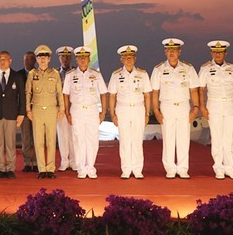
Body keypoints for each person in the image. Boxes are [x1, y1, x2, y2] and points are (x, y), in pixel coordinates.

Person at [151, 38, 200, 179]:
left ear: (180, 52)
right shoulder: (159, 69)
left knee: (184, 137)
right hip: (166, 106)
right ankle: (170, 168)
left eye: (174, 50)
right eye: (169, 50)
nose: (171, 52)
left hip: (183, 106)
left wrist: (195, 108)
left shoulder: (188, 68)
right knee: (168, 138)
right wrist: (156, 110)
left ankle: (183, 168)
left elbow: (194, 90)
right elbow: (155, 91)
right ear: (165, 52)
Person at [198, 40, 233, 180]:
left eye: (220, 52)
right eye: (215, 52)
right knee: (217, 137)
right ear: (212, 53)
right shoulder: (205, 68)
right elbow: (201, 89)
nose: (218, 54)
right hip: (214, 104)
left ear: (225, 53)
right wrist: (202, 107)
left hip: (230, 104)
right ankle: (218, 168)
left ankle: (230, 168)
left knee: (229, 138)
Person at [62, 46, 107, 179]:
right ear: (76, 59)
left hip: (92, 110)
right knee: (78, 139)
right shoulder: (71, 75)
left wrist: (103, 112)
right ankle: (81, 168)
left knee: (92, 139)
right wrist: (67, 112)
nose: (82, 60)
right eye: (80, 58)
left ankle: (91, 167)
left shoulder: (96, 74)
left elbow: (104, 93)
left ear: (89, 59)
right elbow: (65, 94)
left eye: (85, 57)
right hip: (77, 110)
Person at [107, 45, 152, 179]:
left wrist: (147, 114)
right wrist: (113, 114)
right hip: (123, 109)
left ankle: (138, 169)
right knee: (125, 140)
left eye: (131, 57)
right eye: (125, 57)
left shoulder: (142, 74)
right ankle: (126, 169)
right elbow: (112, 95)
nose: (128, 60)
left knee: (137, 140)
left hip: (138, 108)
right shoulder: (116, 75)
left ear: (135, 59)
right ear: (121, 59)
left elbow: (147, 95)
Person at [0, 51, 25, 179]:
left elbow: (22, 97)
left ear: (10, 60)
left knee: (10, 143)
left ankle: (11, 168)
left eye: (4, 59)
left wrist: (21, 114)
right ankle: (1, 168)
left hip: (11, 115)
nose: (2, 61)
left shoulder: (17, 76)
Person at [25, 45, 63, 179]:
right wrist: (28, 109)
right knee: (39, 141)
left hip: (52, 110)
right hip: (37, 110)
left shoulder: (55, 74)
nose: (42, 60)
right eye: (40, 57)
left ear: (49, 59)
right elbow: (28, 93)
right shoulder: (32, 74)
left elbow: (59, 93)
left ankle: (50, 169)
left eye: (45, 57)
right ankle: (42, 169)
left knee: (51, 141)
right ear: (36, 59)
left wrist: (61, 109)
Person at [55, 46, 76, 171]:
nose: (65, 59)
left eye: (67, 56)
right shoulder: (55, 73)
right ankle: (64, 160)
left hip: (73, 108)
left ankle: (73, 160)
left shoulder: (75, 72)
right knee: (62, 135)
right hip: (60, 109)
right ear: (59, 58)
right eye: (63, 56)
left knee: (73, 135)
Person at [17, 51, 38, 172]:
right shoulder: (18, 75)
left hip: (36, 111)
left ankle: (35, 162)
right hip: (24, 112)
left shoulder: (38, 72)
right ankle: (27, 162)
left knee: (36, 137)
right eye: (25, 59)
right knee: (26, 138)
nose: (27, 62)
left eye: (30, 59)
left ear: (34, 61)